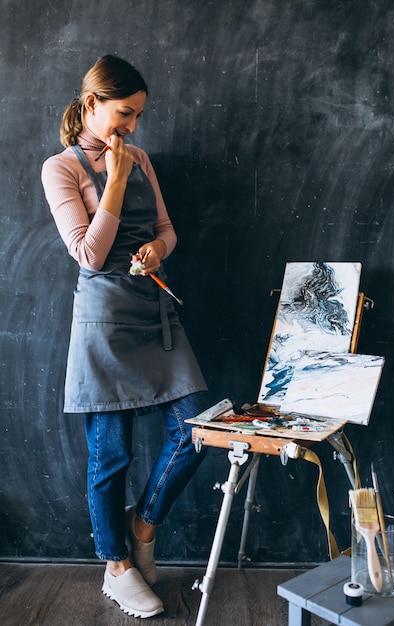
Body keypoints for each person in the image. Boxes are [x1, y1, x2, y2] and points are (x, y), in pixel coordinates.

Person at [41, 54, 208, 619]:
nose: (132, 127)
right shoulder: (59, 169)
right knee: (109, 458)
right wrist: (112, 182)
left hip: (155, 310)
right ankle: (116, 565)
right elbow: (87, 253)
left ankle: (144, 525)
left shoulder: (139, 156)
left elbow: (165, 228)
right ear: (92, 104)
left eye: (137, 115)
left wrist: (158, 249)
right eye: (124, 113)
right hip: (104, 320)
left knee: (196, 429)